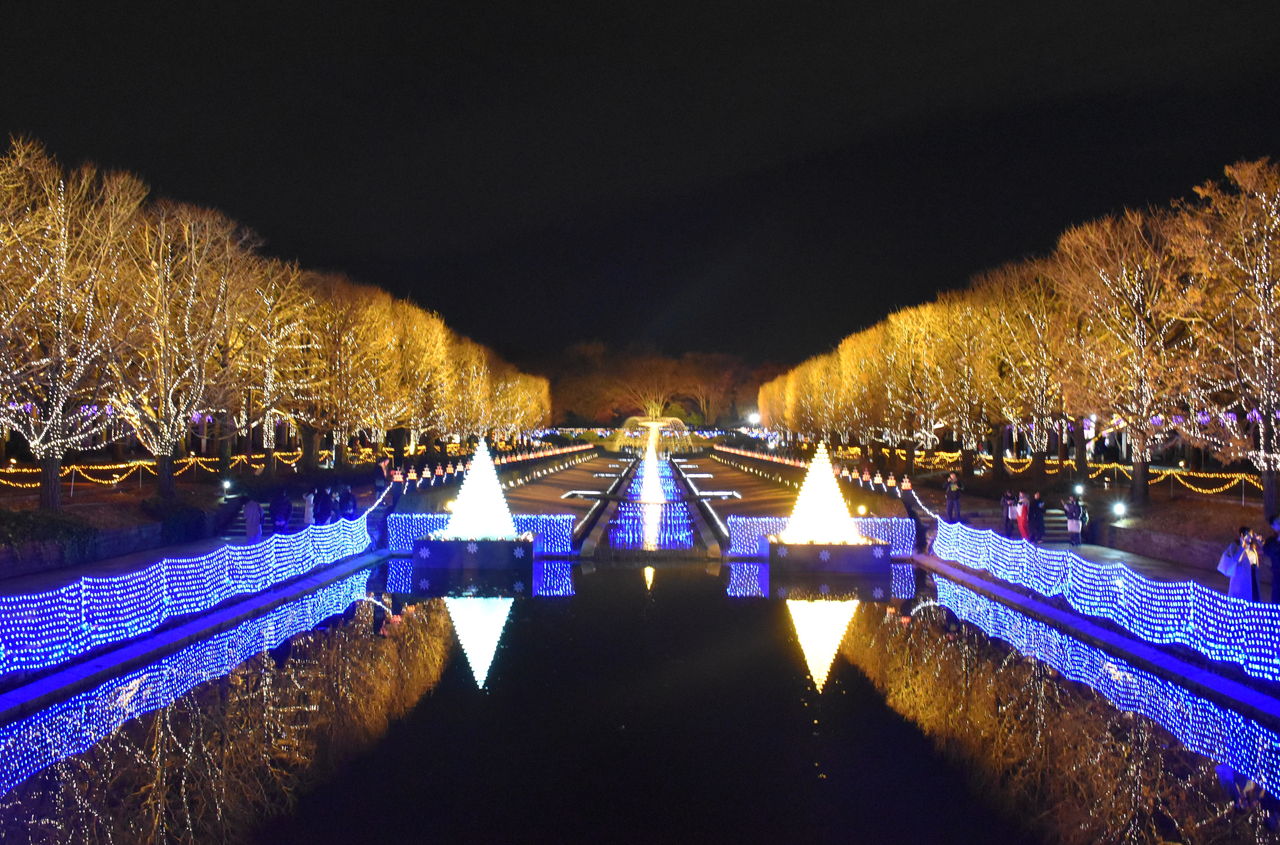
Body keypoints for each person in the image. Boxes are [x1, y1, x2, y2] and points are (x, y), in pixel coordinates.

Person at [1219, 526, 1261, 601]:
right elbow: (1235, 560)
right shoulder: (1235, 546)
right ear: (1242, 535)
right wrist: (1242, 547)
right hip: (1239, 580)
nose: (1250, 536)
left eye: (1251, 534)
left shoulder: (1253, 549)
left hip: (1252, 579)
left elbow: (1256, 564)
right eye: (1248, 534)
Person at [1264, 514, 1280, 603]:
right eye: (1277, 522)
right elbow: (1268, 552)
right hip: (1277, 572)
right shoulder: (1271, 541)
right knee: (1276, 596)